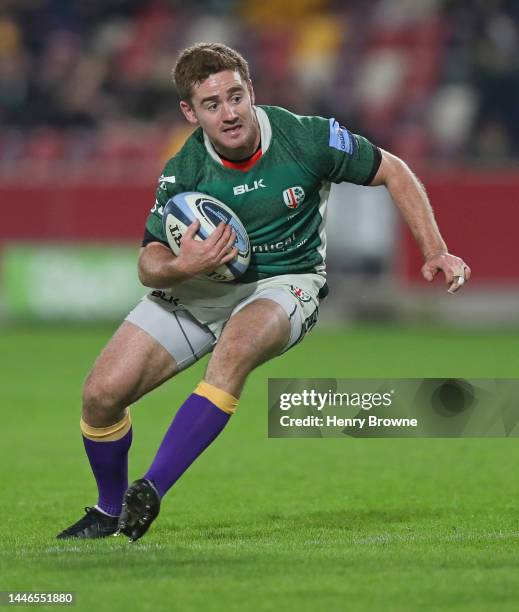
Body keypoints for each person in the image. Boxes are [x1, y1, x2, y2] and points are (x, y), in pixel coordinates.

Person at [57, 43, 471, 542]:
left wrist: (435, 250)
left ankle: (151, 489)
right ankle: (107, 514)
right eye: (212, 104)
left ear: (251, 90)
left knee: (236, 349)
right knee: (100, 396)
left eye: (236, 96)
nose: (229, 113)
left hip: (286, 281)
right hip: (202, 285)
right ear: (190, 112)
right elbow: (149, 262)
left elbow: (393, 170)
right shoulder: (184, 169)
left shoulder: (306, 138)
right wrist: (183, 264)